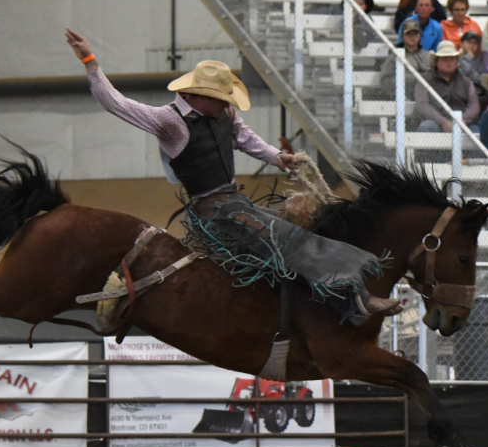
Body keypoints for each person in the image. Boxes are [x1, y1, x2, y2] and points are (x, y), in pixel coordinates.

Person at [64, 34, 399, 324]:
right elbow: (118, 104)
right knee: (284, 237)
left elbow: (245, 138)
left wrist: (276, 157)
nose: (227, 105)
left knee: (298, 229)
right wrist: (91, 63)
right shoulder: (169, 121)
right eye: (222, 98)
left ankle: (341, 300)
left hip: (235, 203)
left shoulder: (223, 113)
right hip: (214, 211)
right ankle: (352, 300)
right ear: (200, 96)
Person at [415, 40, 479, 132]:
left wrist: (463, 121)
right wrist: (443, 122)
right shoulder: (424, 80)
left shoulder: (466, 82)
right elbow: (423, 105)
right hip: (435, 122)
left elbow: (474, 105)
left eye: (452, 58)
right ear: (436, 62)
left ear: (457, 62)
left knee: (477, 131)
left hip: (463, 124)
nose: (448, 62)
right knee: (426, 126)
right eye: (444, 58)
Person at [391, 16, 434, 96]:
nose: (412, 37)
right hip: (403, 96)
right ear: (403, 36)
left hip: (427, 96)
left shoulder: (428, 56)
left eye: (415, 33)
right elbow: (386, 79)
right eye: (408, 34)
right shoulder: (395, 56)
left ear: (420, 35)